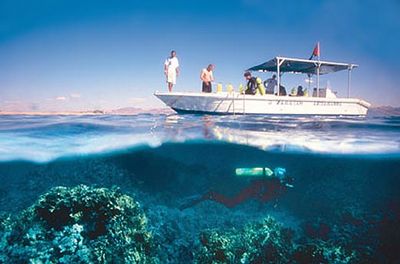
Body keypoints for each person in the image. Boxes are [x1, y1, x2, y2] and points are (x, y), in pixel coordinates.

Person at [179, 167, 293, 210]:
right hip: (249, 189)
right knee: (231, 203)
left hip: (249, 188)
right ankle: (208, 195)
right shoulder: (276, 184)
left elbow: (264, 195)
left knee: (231, 202)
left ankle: (206, 195)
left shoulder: (275, 183)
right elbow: (264, 196)